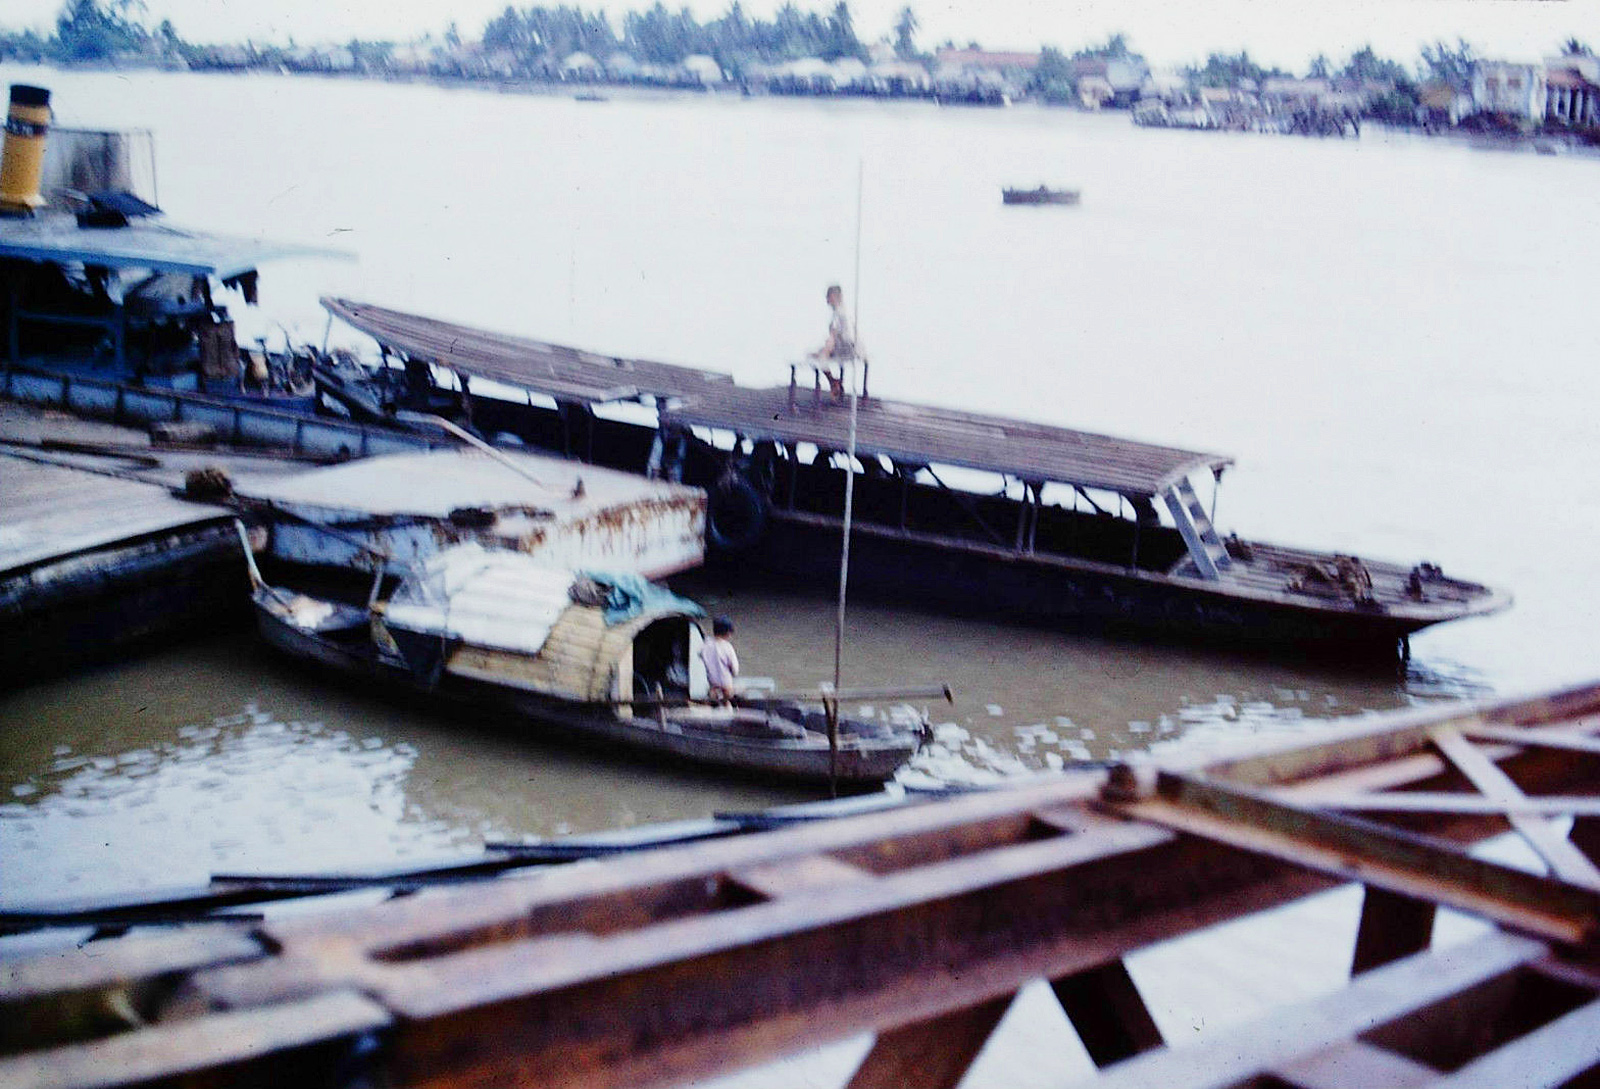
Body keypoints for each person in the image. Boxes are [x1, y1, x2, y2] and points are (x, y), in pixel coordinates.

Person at [809, 284, 855, 398]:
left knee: (820, 358)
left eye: (828, 297)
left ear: (834, 296)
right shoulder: (844, 311)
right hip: (848, 346)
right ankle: (834, 382)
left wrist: (824, 353)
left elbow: (833, 337)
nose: (827, 300)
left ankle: (833, 382)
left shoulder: (839, 314)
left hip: (844, 346)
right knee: (818, 355)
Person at [701, 615, 740, 703]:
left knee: (711, 701)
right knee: (728, 703)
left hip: (711, 683)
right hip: (726, 684)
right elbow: (735, 670)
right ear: (728, 633)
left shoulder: (705, 645)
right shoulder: (727, 647)